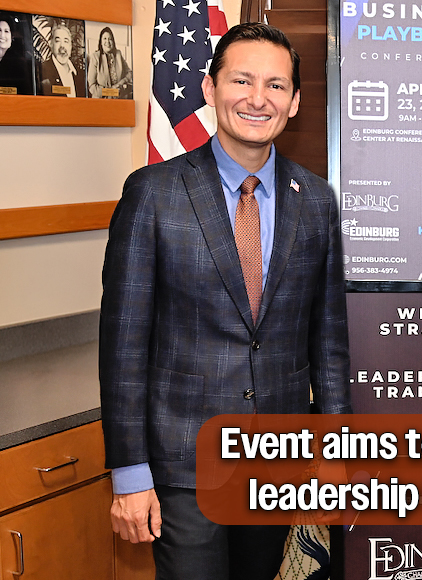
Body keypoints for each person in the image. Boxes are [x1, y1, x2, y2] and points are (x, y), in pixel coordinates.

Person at [100, 23, 351, 580]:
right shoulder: (153, 194)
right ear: (210, 89)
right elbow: (123, 347)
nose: (257, 98)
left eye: (276, 85)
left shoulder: (315, 201)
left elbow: (329, 341)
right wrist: (130, 473)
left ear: (295, 101)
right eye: (241, 80)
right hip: (183, 467)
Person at [38, 22, 85, 97]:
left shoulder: (80, 74)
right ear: (51, 44)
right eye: (57, 41)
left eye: (66, 41)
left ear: (70, 46)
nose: (62, 46)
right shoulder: (41, 70)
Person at [87, 26, 131, 99]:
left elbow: (129, 73)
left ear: (113, 42)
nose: (107, 42)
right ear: (101, 42)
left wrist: (120, 84)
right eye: (104, 38)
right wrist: (111, 92)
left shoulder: (118, 54)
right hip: (101, 101)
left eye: (110, 39)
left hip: (119, 99)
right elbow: (92, 87)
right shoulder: (95, 57)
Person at [0, 14, 33, 95]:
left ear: (12, 37)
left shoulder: (19, 63)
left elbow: (26, 92)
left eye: (6, 31)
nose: (2, 35)